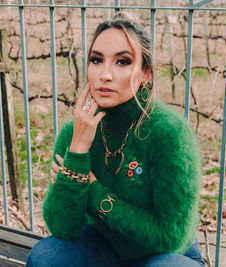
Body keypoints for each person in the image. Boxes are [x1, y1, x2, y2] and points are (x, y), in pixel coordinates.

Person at [26, 12, 205, 267]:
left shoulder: (169, 134)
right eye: (96, 60)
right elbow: (62, 228)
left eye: (122, 62)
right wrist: (78, 149)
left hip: (164, 255)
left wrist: (95, 193)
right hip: (103, 245)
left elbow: (169, 237)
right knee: (47, 257)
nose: (105, 74)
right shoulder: (76, 130)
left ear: (146, 74)